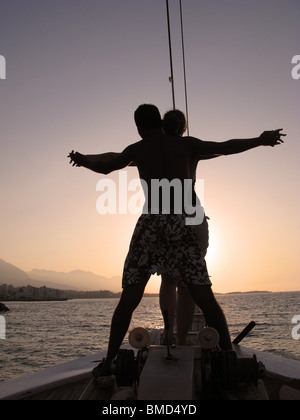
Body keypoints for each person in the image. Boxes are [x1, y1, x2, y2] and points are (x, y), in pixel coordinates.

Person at [69, 104, 285, 384]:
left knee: (130, 297)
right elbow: (225, 147)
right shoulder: (187, 146)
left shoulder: (137, 149)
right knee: (204, 295)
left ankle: (109, 362)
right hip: (180, 223)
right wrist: (260, 140)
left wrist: (84, 159)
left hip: (150, 225)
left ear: (138, 127)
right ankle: (229, 358)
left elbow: (109, 163)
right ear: (160, 122)